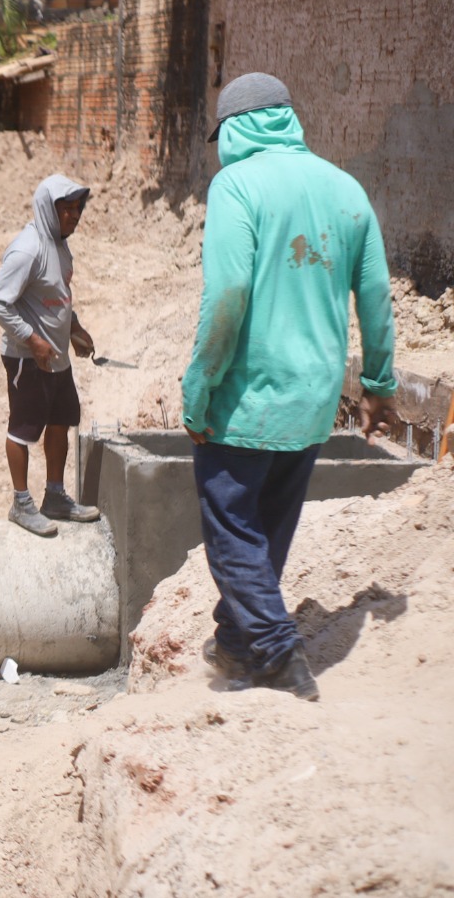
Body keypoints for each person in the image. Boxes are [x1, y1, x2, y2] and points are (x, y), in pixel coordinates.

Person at [182, 72, 397, 702]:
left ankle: (277, 656)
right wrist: (379, 383)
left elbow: (226, 296)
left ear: (235, 131)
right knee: (269, 526)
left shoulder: (236, 186)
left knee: (230, 530)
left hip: (248, 398)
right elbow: (377, 296)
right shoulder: (346, 189)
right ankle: (234, 643)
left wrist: (199, 390)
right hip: (314, 400)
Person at [0, 174, 102, 537]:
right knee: (23, 429)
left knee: (61, 420)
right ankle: (21, 503)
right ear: (48, 210)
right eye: (66, 209)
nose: (74, 216)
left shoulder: (61, 246)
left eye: (77, 209)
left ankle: (54, 497)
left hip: (56, 358)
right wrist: (31, 340)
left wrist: (75, 330)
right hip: (27, 359)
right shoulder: (27, 249)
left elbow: (59, 297)